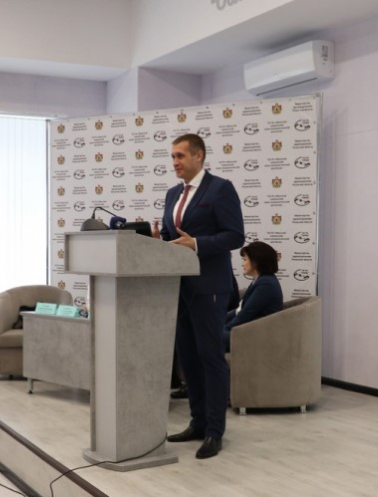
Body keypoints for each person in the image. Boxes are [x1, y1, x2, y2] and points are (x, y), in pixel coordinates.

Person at [152, 133, 244, 459]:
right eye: (172, 157)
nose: (175, 162)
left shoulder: (220, 189)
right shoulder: (172, 194)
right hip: (179, 289)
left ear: (198, 156)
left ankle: (215, 431)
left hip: (210, 288)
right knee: (188, 360)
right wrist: (157, 240)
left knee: (210, 358)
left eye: (180, 156)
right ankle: (198, 422)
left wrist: (198, 244)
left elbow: (235, 236)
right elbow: (172, 236)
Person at [223, 241, 284, 352]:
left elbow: (245, 314)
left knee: (207, 336)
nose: (242, 264)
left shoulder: (266, 284)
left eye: (245, 259)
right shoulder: (261, 280)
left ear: (256, 262)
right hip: (249, 331)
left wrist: (223, 329)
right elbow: (239, 311)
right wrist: (217, 322)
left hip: (255, 336)